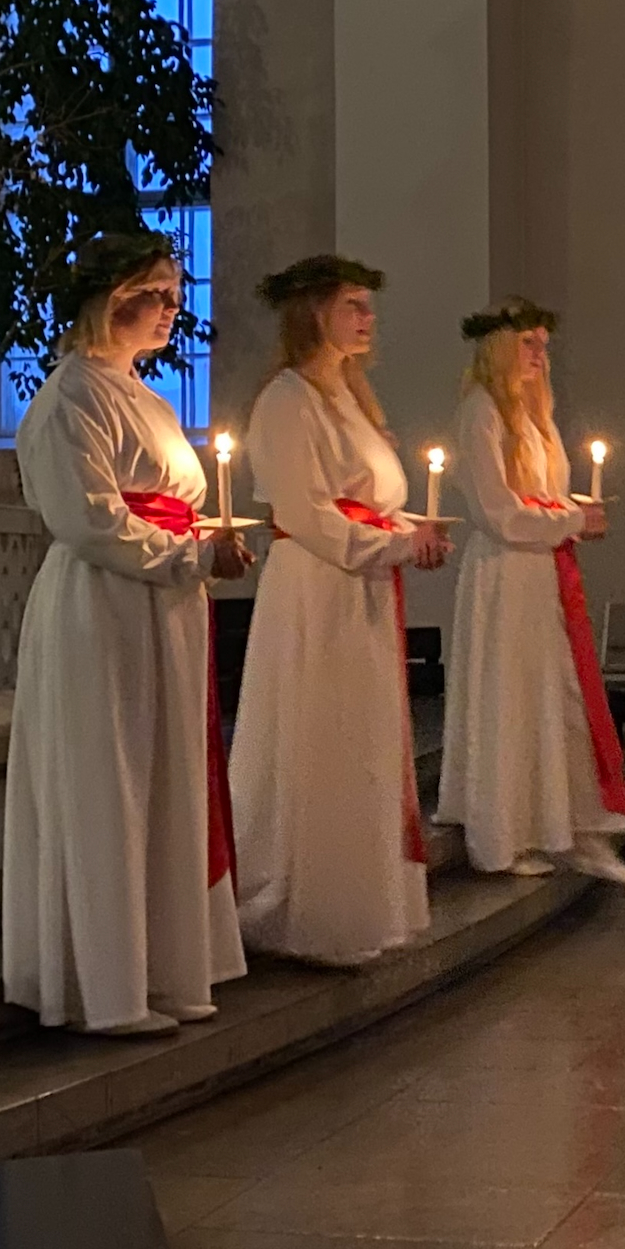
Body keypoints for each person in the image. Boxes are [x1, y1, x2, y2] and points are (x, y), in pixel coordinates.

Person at [3, 233, 252, 1036]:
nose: (174, 312)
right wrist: (189, 552)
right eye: (160, 294)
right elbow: (89, 520)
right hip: (101, 609)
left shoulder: (146, 395)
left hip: (162, 609)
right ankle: (106, 988)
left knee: (163, 782)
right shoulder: (66, 399)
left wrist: (209, 541)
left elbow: (169, 501)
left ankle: (166, 968)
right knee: (108, 779)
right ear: (112, 297)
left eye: (177, 296)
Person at [229, 255, 453, 967]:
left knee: (359, 739)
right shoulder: (286, 399)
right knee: (316, 732)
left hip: (357, 586)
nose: (367, 317)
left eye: (367, 304)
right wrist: (395, 541)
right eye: (353, 304)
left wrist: (412, 529)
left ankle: (356, 901)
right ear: (314, 311)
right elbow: (306, 512)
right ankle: (304, 908)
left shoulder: (351, 395)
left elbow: (370, 498)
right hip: (317, 586)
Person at [435, 298, 625, 885]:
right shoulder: (481, 412)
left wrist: (575, 514)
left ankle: (571, 827)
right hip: (505, 572)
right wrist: (573, 522)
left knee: (553, 695)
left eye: (543, 345)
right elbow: (497, 511)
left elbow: (545, 496)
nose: (539, 354)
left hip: (541, 570)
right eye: (528, 343)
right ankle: (504, 833)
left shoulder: (536, 415)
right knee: (512, 697)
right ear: (499, 347)